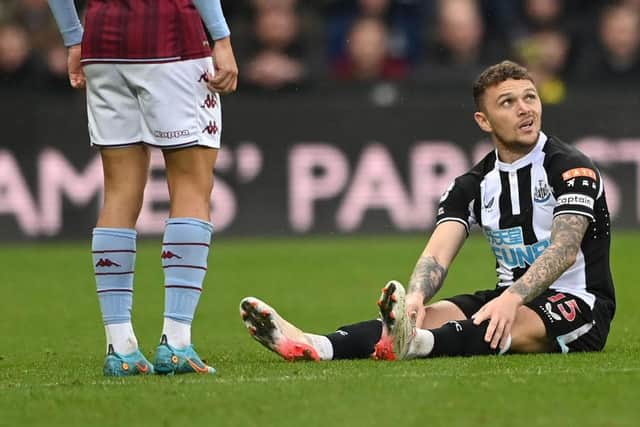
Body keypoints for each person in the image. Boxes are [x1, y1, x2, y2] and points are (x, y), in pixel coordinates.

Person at [240, 60, 615, 362]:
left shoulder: (569, 167)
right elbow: (437, 253)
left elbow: (565, 249)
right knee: (425, 317)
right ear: (483, 121)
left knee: (494, 325)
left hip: (578, 303)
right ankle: (315, 344)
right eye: (508, 102)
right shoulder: (473, 183)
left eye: (530, 98)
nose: (525, 109)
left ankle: (414, 344)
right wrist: (416, 299)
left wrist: (512, 299)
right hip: (507, 297)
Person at [47, 0, 238, 376]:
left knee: (118, 189)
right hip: (171, 36)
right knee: (191, 185)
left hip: (102, 40)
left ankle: (120, 347)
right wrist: (222, 37)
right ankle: (177, 341)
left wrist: (73, 38)